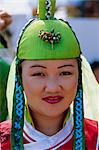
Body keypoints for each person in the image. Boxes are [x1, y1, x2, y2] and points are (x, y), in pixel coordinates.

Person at [0, 0, 99, 149]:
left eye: (65, 72)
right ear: (19, 77)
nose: (53, 88)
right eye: (39, 73)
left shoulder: (96, 140)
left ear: (79, 76)